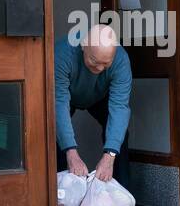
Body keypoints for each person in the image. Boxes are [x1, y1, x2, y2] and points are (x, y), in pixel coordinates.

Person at [55, 23, 132, 189]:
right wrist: (71, 151)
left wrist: (109, 156)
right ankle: (61, 196)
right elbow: (59, 103)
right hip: (67, 95)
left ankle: (121, 195)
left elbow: (119, 107)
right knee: (54, 134)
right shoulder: (62, 53)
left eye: (106, 64)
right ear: (84, 46)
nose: (99, 68)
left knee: (119, 134)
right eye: (94, 61)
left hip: (99, 96)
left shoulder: (121, 60)